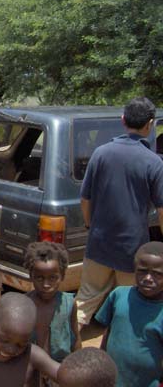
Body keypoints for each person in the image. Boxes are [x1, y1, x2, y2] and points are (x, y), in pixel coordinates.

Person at [76, 97, 163, 329]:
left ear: (123, 120)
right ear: (150, 124)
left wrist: (89, 226)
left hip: (98, 244)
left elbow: (85, 199)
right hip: (131, 250)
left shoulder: (100, 153)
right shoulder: (154, 162)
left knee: (84, 302)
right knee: (129, 305)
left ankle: (60, 352)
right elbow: (162, 210)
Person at [94, 241, 163, 387]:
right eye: (143, 271)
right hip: (113, 379)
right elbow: (109, 331)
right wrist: (102, 360)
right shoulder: (119, 295)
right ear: (134, 269)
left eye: (157, 274)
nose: (148, 278)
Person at [24, 242, 81, 375]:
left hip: (60, 371)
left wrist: (79, 369)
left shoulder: (69, 303)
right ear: (30, 276)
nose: (46, 285)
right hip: (30, 372)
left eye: (53, 278)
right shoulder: (23, 304)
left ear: (62, 276)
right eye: (39, 278)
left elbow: (76, 339)